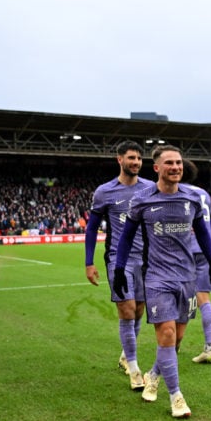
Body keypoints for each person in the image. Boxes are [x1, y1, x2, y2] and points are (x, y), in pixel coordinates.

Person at [111, 145, 211, 419]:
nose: (175, 167)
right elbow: (126, 237)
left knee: (178, 339)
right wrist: (120, 268)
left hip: (188, 277)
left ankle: (154, 375)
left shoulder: (193, 199)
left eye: (179, 162)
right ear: (157, 168)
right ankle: (177, 397)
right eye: (169, 163)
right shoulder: (142, 200)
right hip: (157, 278)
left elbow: (204, 233)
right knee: (167, 335)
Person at [84, 140, 157, 390]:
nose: (136, 162)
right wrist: (89, 262)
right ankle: (134, 369)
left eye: (139, 158)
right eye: (131, 158)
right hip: (119, 259)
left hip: (146, 260)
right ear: (120, 160)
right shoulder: (104, 192)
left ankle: (126, 355)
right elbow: (92, 228)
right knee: (126, 309)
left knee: (138, 310)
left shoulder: (150, 188)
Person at [185, 173, 211, 364]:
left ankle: (172, 343)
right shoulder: (205, 194)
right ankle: (210, 347)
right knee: (204, 298)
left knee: (178, 296)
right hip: (204, 249)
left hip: (184, 249)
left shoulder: (177, 191)